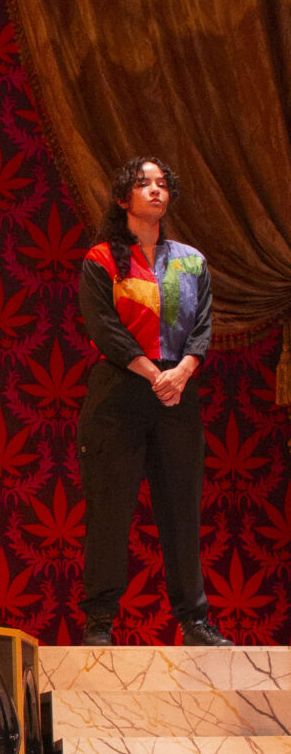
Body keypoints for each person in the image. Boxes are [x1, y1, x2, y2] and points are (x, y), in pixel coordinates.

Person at [77, 156, 225, 647]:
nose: (156, 190)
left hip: (178, 391)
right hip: (120, 392)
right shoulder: (101, 259)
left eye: (162, 183)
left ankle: (195, 621)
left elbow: (202, 326)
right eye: (144, 184)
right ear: (124, 198)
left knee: (182, 510)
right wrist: (151, 372)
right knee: (109, 508)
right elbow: (104, 328)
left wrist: (181, 372)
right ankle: (100, 621)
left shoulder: (191, 261)